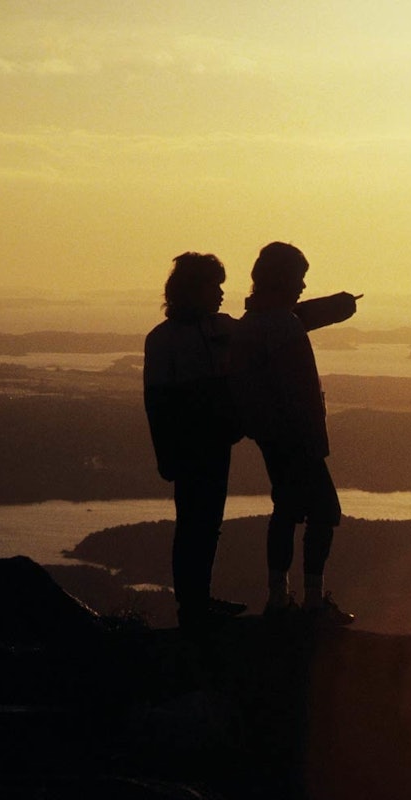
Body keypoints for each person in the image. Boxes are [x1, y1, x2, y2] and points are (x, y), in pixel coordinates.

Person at [229, 241, 360, 625]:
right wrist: (313, 439)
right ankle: (314, 603)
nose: (303, 286)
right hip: (297, 437)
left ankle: (278, 598)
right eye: (299, 279)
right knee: (325, 512)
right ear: (283, 279)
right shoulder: (283, 325)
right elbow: (298, 387)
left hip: (271, 435)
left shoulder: (251, 322)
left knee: (286, 510)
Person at [143, 252, 247, 633]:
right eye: (214, 286)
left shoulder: (220, 328)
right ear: (192, 289)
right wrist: (166, 456)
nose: (221, 293)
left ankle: (198, 600)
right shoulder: (163, 339)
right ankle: (193, 607)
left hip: (216, 441)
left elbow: (272, 327)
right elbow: (156, 402)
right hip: (190, 446)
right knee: (194, 525)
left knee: (207, 524)